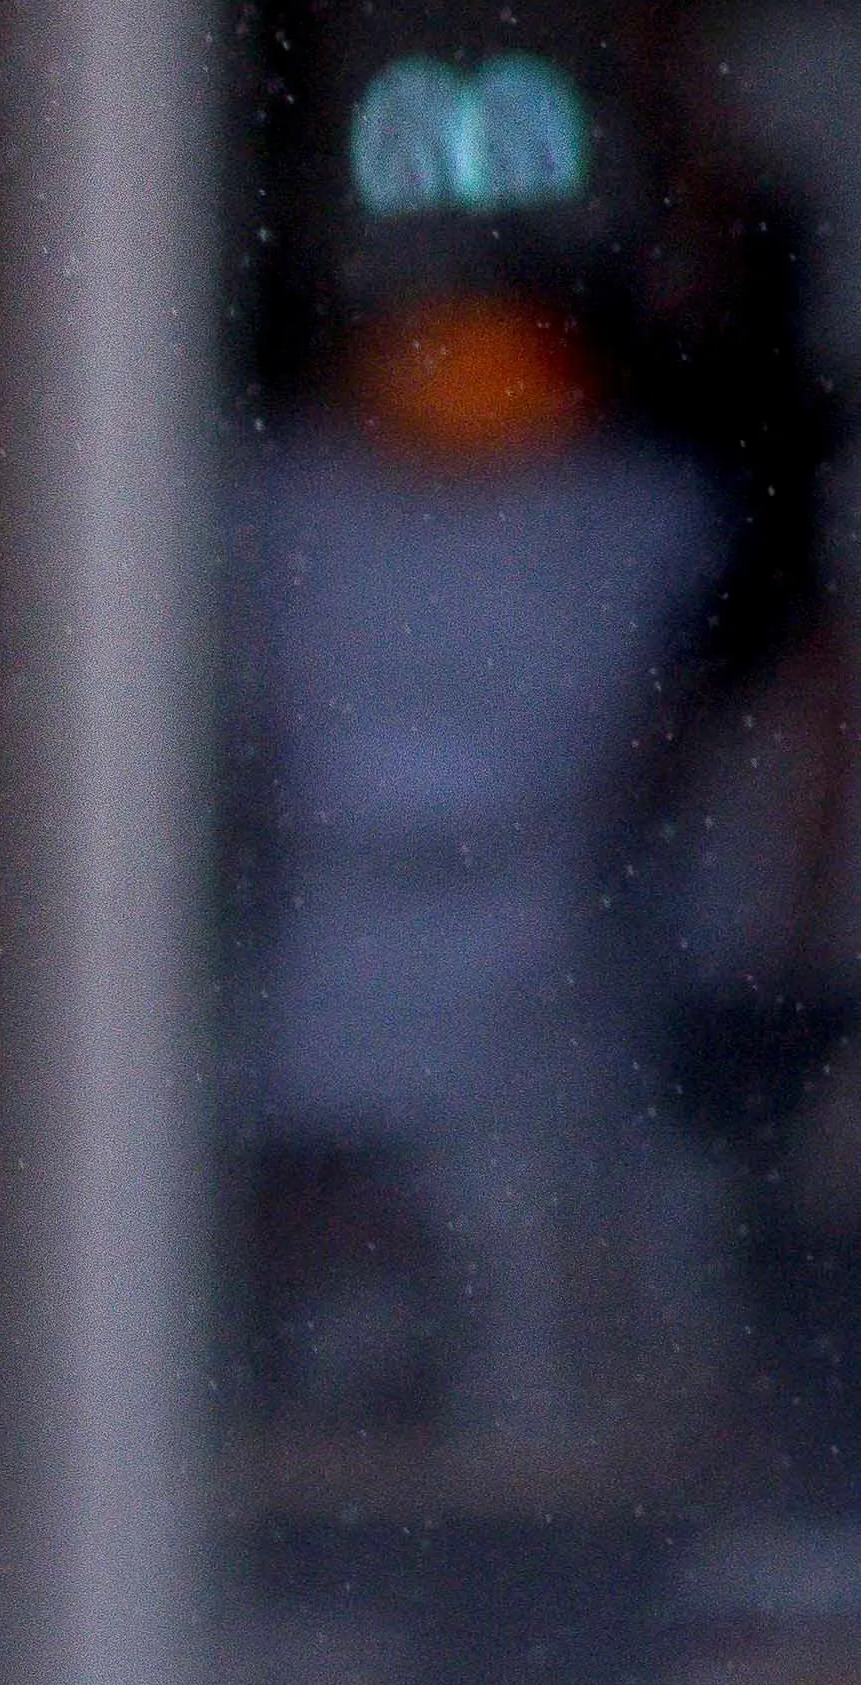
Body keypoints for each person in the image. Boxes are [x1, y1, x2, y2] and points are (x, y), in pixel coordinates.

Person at [231, 282, 715, 1451]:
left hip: (542, 946)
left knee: (535, 1252)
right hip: (325, 943)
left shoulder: (631, 509)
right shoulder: (274, 499)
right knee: (337, 1265)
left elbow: (665, 732)